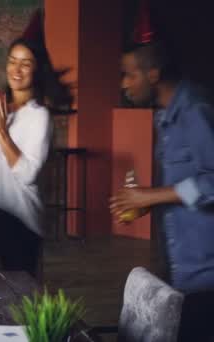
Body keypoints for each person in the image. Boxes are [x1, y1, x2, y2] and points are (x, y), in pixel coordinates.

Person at [109, 42, 214, 341]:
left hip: (207, 272)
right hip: (182, 268)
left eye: (129, 74)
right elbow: (182, 189)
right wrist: (146, 203)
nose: (124, 84)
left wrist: (150, 195)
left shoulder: (195, 110)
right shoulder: (164, 117)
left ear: (153, 73)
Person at [0, 37, 73, 277]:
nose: (17, 69)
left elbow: (27, 174)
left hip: (19, 219)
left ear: (37, 70)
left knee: (20, 294)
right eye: (13, 61)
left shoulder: (39, 116)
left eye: (25, 63)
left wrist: (2, 131)